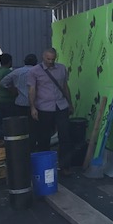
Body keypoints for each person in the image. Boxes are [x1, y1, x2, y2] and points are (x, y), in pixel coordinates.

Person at [28, 48, 74, 176]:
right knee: (44, 138)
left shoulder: (61, 68)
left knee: (65, 136)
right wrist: (32, 107)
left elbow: (65, 87)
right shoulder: (34, 71)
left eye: (53, 59)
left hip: (61, 106)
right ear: (43, 57)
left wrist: (70, 103)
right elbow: (32, 90)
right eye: (48, 59)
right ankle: (45, 166)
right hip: (44, 107)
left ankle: (65, 166)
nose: (50, 61)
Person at [1, 53, 39, 151]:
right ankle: (33, 147)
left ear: (24, 62)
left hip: (20, 103)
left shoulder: (17, 72)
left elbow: (3, 82)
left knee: (21, 128)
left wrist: (12, 89)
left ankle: (22, 147)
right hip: (36, 104)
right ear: (36, 62)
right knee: (35, 128)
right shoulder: (39, 72)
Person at [0, 53, 16, 124]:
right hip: (8, 100)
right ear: (10, 61)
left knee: (0, 121)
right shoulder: (8, 72)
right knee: (9, 122)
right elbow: (10, 85)